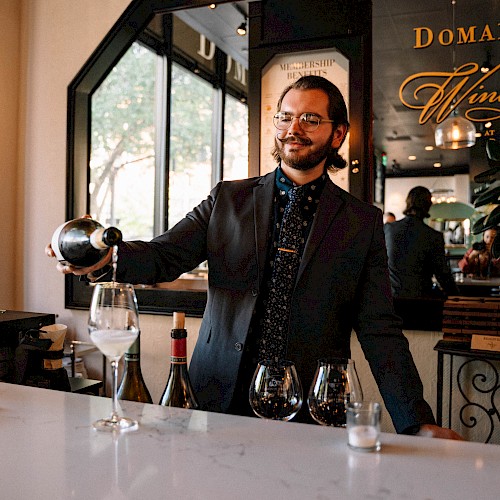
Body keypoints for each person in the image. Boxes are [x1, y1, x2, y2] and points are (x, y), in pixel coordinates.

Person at [47, 76, 461, 440]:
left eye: (310, 119)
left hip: (313, 407)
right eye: (285, 117)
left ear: (337, 135)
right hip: (218, 394)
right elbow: (164, 256)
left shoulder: (362, 222)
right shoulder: (228, 198)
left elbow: (380, 330)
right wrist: (104, 260)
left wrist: (415, 421)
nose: (293, 129)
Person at [384, 186, 459, 299]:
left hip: (391, 302)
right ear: (428, 206)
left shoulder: (388, 229)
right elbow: (443, 275)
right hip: (421, 304)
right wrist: (457, 296)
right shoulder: (434, 236)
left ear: (408, 203)